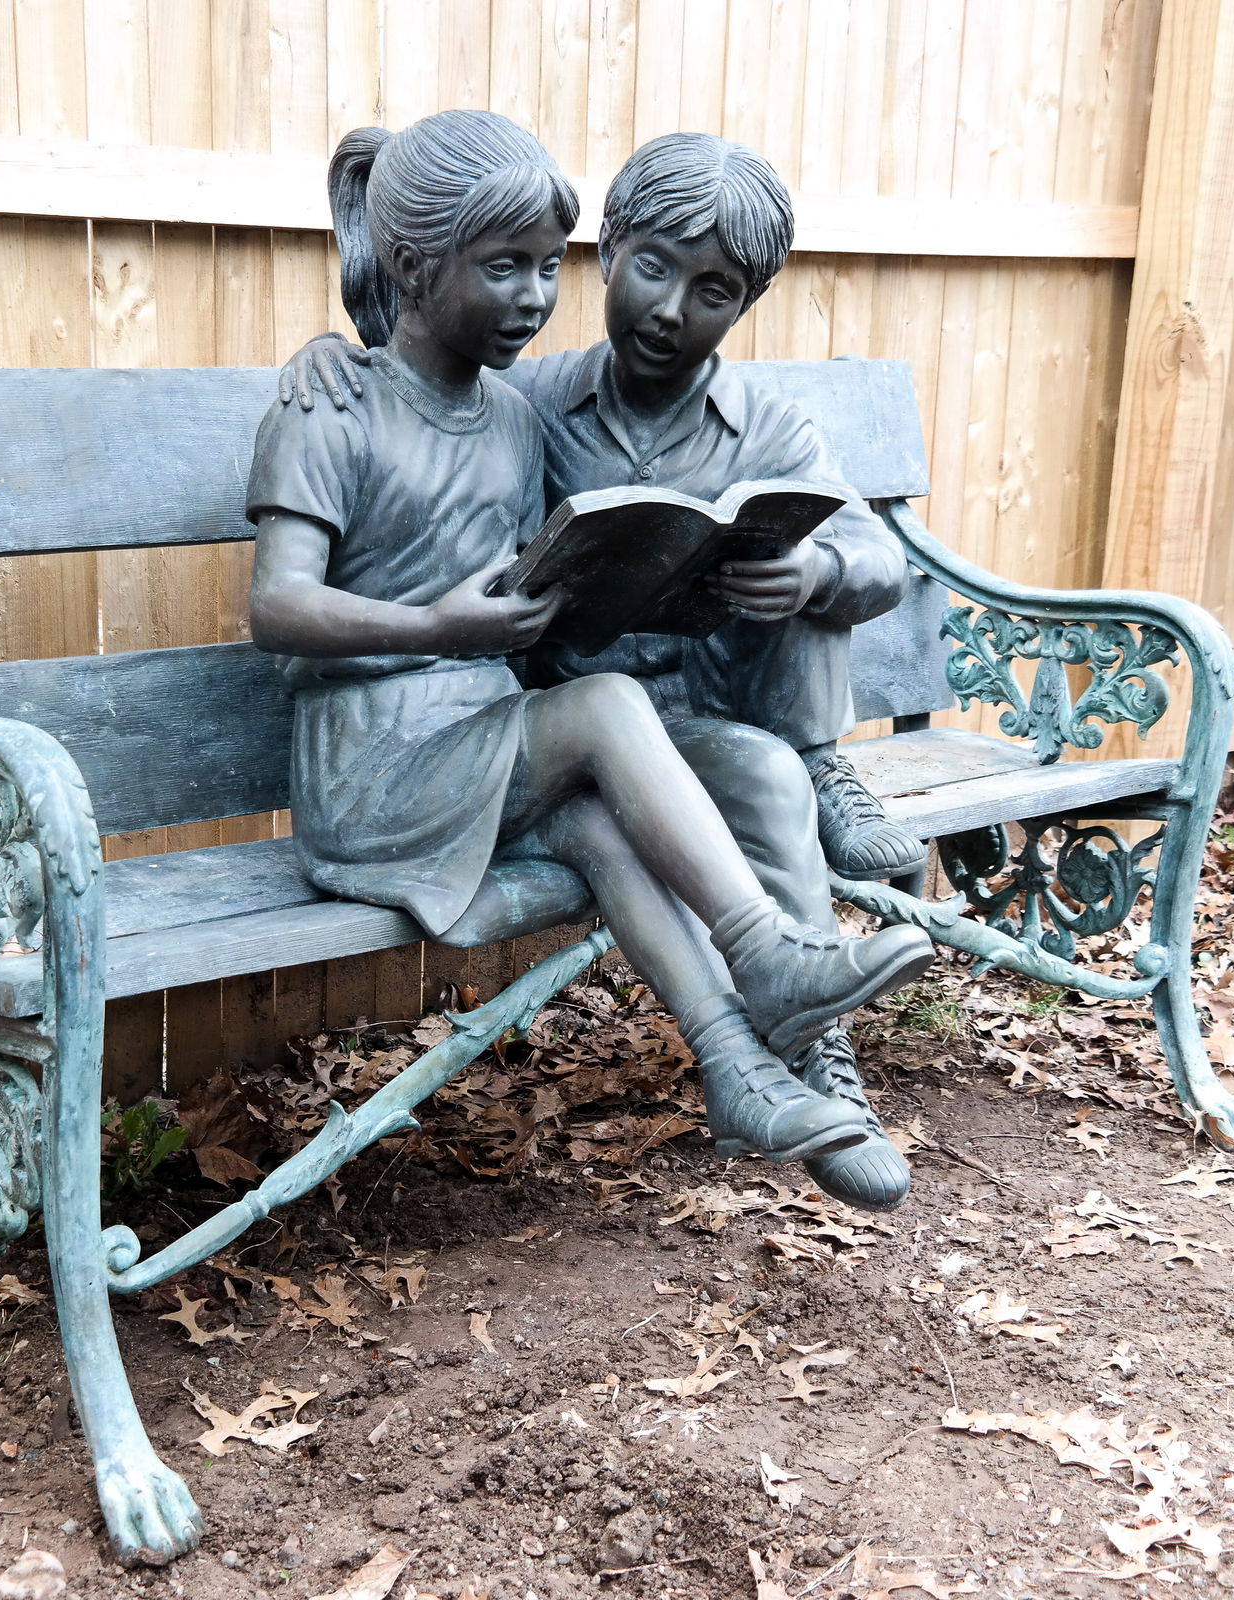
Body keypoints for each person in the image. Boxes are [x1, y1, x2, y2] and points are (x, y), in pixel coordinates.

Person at [247, 110, 933, 1176]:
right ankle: (767, 956)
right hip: (379, 769)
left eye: (540, 270)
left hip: (496, 743)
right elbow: (279, 612)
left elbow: (864, 559)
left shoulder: (517, 418)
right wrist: (441, 621)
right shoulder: (347, 405)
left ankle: (745, 1074)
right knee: (606, 710)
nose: (532, 295)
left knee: (618, 821)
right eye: (508, 269)